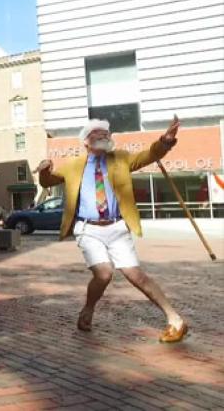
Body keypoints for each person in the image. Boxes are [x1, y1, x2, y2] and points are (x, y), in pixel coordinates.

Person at [35, 116, 188, 343]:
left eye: (107, 133)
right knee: (104, 273)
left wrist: (165, 141)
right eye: (98, 133)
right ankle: (88, 308)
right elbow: (48, 182)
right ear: (86, 141)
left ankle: (175, 319)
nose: (105, 136)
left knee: (135, 275)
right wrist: (44, 170)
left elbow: (151, 154)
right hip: (88, 228)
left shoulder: (122, 159)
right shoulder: (74, 165)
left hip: (117, 226)